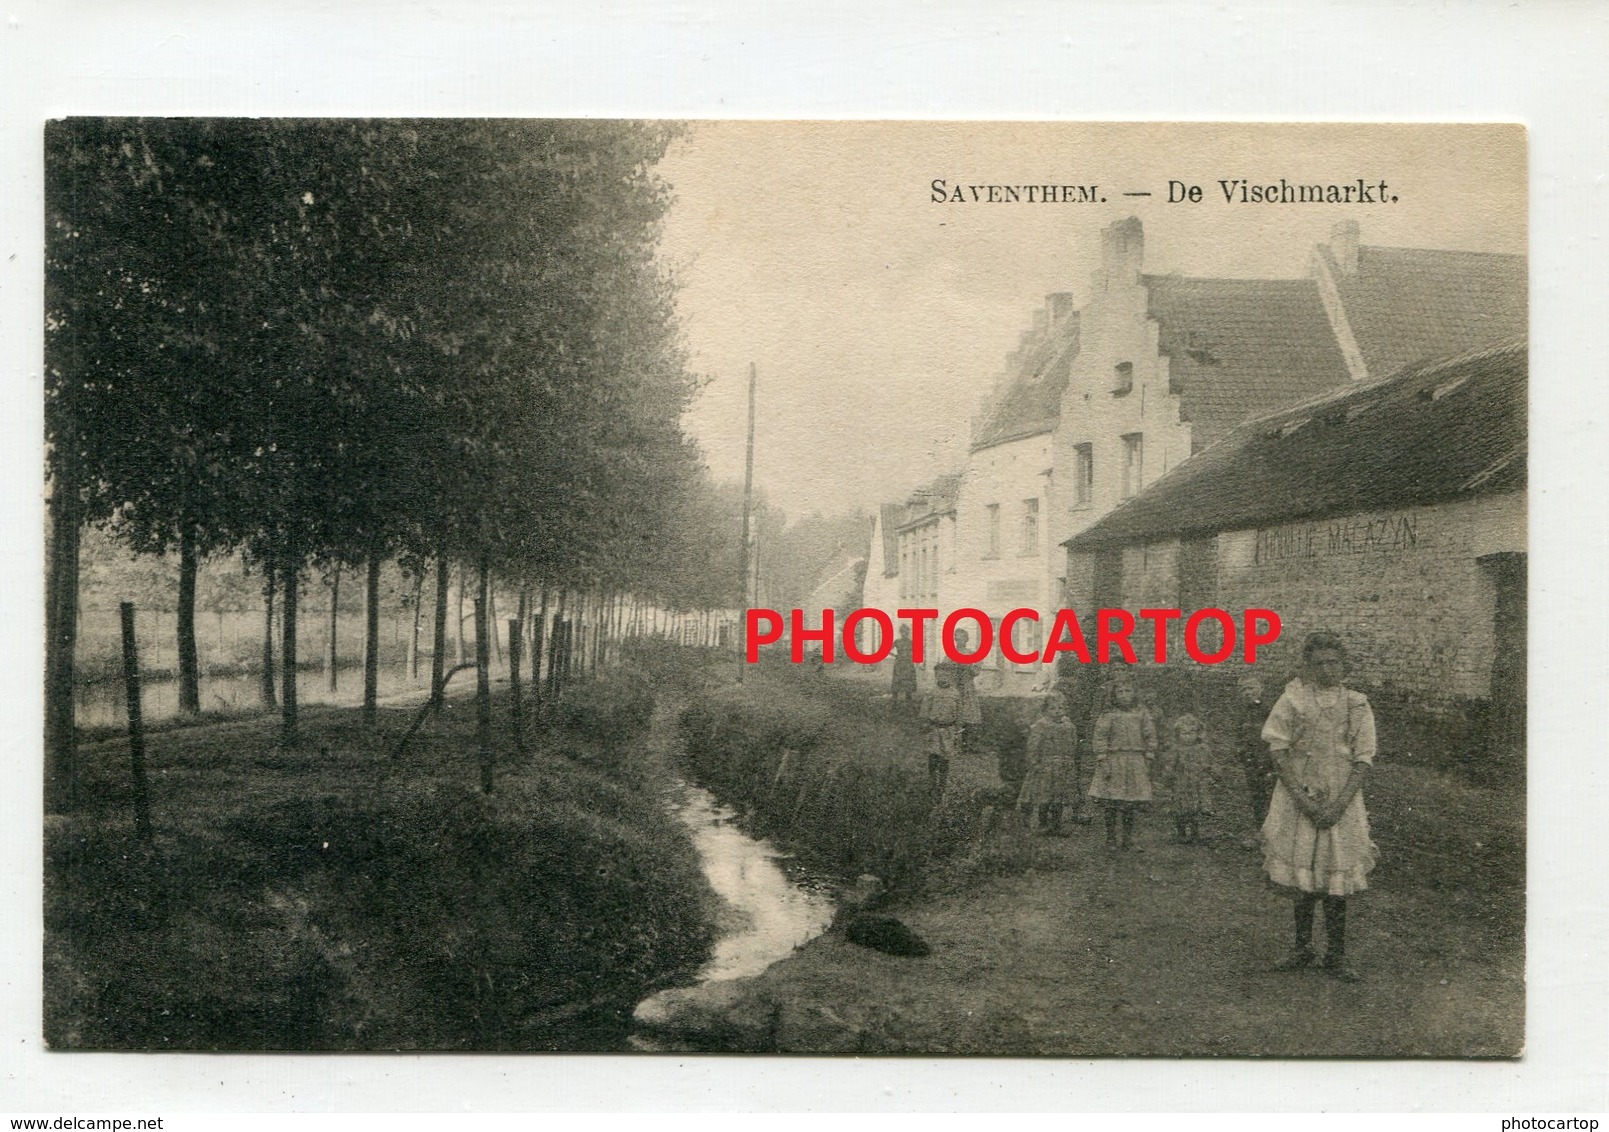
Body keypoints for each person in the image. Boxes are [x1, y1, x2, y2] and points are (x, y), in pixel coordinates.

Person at [1260, 631, 1378, 982]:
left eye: (1334, 662)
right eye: (1320, 663)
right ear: (1308, 666)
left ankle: (1336, 955)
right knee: (1303, 874)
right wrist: (1301, 798)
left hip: (1342, 799)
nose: (1328, 669)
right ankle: (1301, 947)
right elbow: (1278, 750)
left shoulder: (1357, 703)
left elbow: (1363, 758)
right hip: (1301, 797)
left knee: (1334, 873)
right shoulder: (1293, 699)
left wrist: (1340, 804)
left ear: (1344, 665)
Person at [1088, 676, 1157, 851]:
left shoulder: (1142, 713)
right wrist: (1102, 758)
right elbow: (1100, 736)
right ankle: (1111, 838)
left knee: (1130, 803)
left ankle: (1128, 839)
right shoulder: (1108, 714)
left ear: (1135, 694)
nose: (1124, 695)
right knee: (1111, 801)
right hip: (1114, 760)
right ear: (1113, 695)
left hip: (1135, 760)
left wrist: (1149, 755)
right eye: (1120, 692)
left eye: (1128, 691)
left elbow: (1150, 734)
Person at [1017, 696, 1080, 835]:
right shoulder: (1041, 725)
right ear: (1045, 710)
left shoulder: (1069, 726)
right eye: (1053, 708)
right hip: (1045, 765)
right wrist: (1034, 762)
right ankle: (1043, 823)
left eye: (1060, 708)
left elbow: (1073, 743)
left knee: (1059, 796)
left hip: (1063, 765)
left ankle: (1056, 824)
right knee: (1044, 796)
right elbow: (1033, 745)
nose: (1057, 711)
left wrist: (1070, 760)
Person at [1163, 712, 1215, 844]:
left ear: (1198, 734)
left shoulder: (1202, 748)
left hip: (1197, 782)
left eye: (1191, 733)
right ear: (1178, 735)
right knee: (1180, 808)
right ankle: (1181, 832)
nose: (1188, 737)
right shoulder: (1176, 749)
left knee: (1195, 809)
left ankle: (1195, 832)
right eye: (1184, 733)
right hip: (1181, 782)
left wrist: (1213, 773)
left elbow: (1209, 763)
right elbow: (1170, 764)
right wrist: (1168, 776)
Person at [1233, 672, 1275, 832]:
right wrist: (1240, 750)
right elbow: (1239, 734)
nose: (1247, 692)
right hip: (1251, 762)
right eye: (1243, 690)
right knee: (1257, 796)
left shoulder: (1269, 710)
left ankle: (1274, 832)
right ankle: (1261, 830)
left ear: (1261, 688)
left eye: (1251, 688)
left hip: (1268, 761)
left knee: (1271, 796)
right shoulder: (1243, 712)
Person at [920, 661, 963, 796]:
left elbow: (959, 714)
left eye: (946, 675)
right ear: (936, 676)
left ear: (951, 676)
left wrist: (958, 731)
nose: (943, 677)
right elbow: (924, 711)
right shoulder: (931, 692)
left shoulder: (955, 694)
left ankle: (942, 785)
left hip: (949, 730)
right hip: (934, 729)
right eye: (939, 675)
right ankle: (932, 782)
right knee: (933, 757)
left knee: (945, 758)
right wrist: (925, 724)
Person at [890, 625, 918, 711]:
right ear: (900, 632)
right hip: (899, 664)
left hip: (908, 663)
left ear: (908, 632)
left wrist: (912, 657)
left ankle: (908, 700)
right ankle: (894, 701)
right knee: (897, 681)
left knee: (908, 681)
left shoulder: (911, 642)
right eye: (903, 632)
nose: (904, 633)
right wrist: (896, 655)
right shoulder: (897, 642)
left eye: (906, 632)